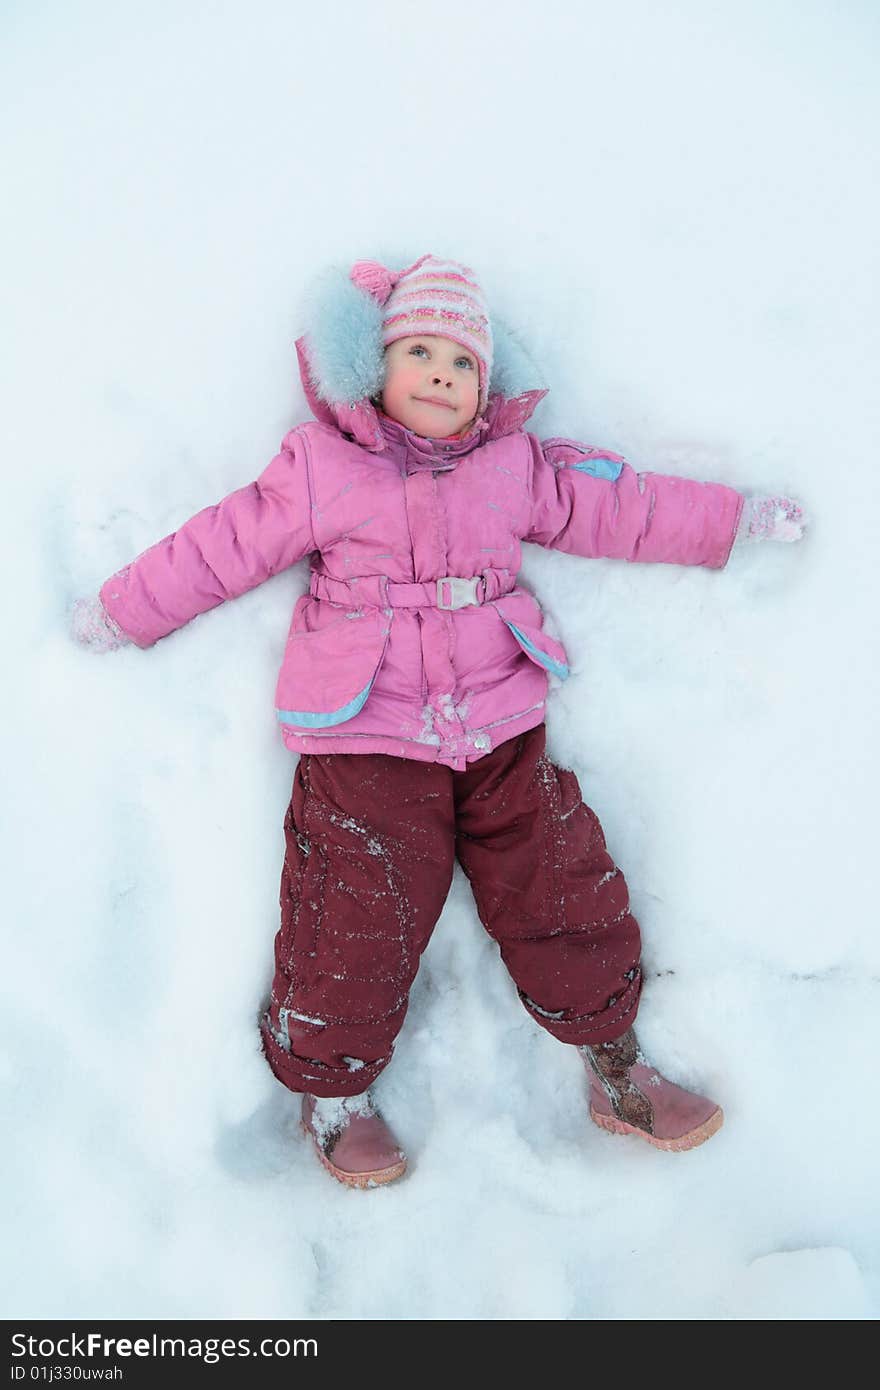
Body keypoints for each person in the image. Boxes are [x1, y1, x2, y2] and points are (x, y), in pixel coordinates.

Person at [73, 254, 805, 1188]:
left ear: (485, 387)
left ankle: (611, 1059)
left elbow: (622, 506)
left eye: (463, 363)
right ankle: (332, 1088)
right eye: (419, 351)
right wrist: (127, 610)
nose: (441, 376)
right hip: (365, 732)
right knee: (359, 902)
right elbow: (224, 544)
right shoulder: (323, 466)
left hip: (498, 723)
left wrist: (730, 522)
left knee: (558, 870)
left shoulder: (514, 467)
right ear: (374, 368)